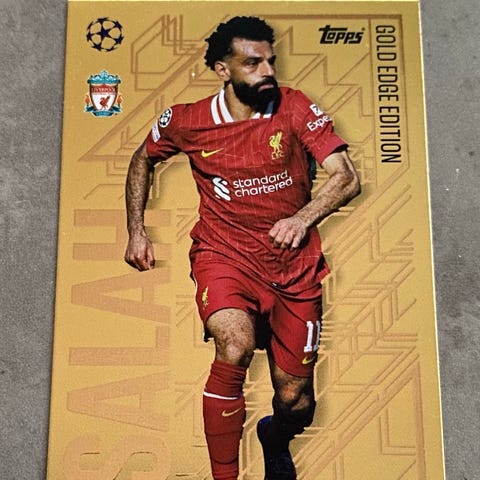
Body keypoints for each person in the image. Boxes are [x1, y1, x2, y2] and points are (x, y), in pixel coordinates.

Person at [124, 16, 360, 480]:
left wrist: (301, 219)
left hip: (293, 269)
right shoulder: (187, 120)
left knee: (296, 403)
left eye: (270, 60)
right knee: (234, 345)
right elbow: (142, 159)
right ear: (222, 69)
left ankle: (276, 436)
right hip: (224, 255)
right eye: (253, 63)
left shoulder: (294, 108)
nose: (267, 71)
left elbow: (346, 176)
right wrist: (136, 229)